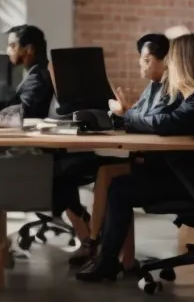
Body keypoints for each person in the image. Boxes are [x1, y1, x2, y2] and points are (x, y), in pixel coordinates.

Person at [76, 33, 194, 283]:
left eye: (173, 60)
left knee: (120, 188)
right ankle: (108, 259)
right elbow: (160, 120)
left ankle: (108, 261)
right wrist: (131, 115)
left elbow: (165, 123)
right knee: (120, 179)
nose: (170, 67)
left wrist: (128, 115)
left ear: (185, 62)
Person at [56, 33, 169, 267]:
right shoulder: (153, 87)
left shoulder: (168, 89)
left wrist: (127, 114)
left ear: (165, 60)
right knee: (106, 173)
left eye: (146, 59)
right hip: (145, 157)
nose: (141, 64)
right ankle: (112, 252)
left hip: (159, 165)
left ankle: (95, 242)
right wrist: (126, 112)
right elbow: (140, 116)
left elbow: (151, 121)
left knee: (108, 175)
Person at [6, 24, 55, 118]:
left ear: (29, 49)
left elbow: (23, 112)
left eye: (12, 46)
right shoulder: (37, 72)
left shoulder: (37, 78)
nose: (8, 51)